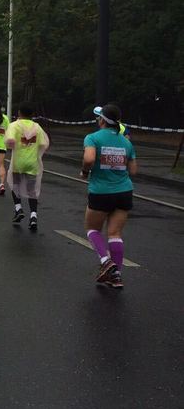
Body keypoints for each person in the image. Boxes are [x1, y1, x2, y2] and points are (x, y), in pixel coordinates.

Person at [81, 104, 137, 289]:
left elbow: (89, 159)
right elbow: (133, 170)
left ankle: (106, 261)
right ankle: (117, 275)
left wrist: (84, 171)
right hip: (124, 192)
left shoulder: (93, 138)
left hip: (101, 191)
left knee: (92, 229)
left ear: (103, 120)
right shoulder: (126, 142)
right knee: (115, 234)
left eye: (99, 118)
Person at [4, 103, 50, 232]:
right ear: (32, 114)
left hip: (18, 162)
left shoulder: (14, 125)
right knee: (32, 191)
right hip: (32, 163)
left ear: (19, 113)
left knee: (15, 184)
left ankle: (18, 208)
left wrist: (17, 143)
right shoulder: (37, 127)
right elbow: (43, 143)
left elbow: (9, 141)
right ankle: (34, 216)